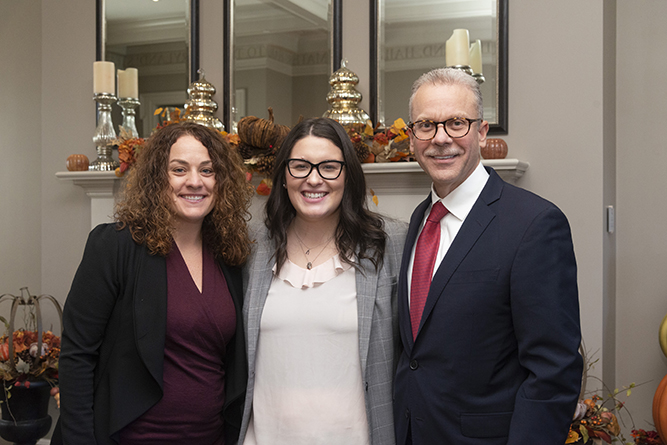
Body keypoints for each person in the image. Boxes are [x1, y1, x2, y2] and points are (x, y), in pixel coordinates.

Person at [393, 68, 583, 444]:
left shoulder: (535, 224)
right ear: (412, 138)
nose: (441, 138)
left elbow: (554, 371)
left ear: (482, 131)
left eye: (456, 123)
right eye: (426, 125)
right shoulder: (419, 219)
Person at [55, 122, 252, 445]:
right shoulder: (115, 246)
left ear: (222, 181)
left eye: (207, 170)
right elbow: (77, 354)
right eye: (179, 169)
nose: (194, 182)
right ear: (157, 178)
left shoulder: (230, 255)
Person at [238, 117, 407, 445]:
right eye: (300, 166)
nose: (313, 179)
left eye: (329, 167)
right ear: (284, 176)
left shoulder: (390, 243)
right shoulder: (252, 247)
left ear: (348, 175)